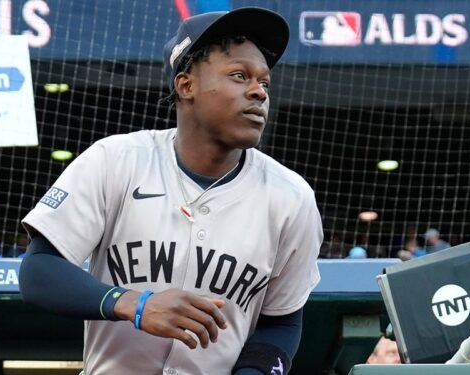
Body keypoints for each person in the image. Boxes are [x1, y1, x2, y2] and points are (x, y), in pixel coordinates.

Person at [19, 8, 322, 375]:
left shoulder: (292, 198)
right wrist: (134, 303)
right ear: (186, 85)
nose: (259, 92)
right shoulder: (116, 160)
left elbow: (282, 322)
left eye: (265, 82)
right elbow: (39, 270)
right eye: (239, 76)